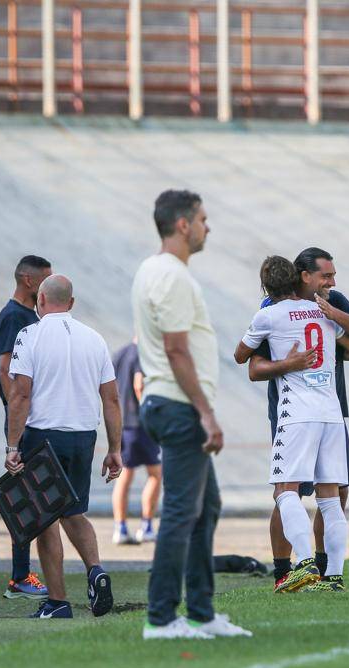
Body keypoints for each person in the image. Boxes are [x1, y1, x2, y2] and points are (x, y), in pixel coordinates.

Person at [133, 189, 251, 639]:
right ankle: (161, 619)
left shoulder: (154, 270)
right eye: (203, 218)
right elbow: (176, 349)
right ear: (182, 225)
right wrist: (207, 413)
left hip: (169, 403)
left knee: (206, 507)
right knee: (182, 512)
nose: (207, 226)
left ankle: (201, 612)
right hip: (180, 407)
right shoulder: (172, 276)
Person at [235, 256, 349, 593]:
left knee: (285, 490)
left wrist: (289, 360)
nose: (331, 283)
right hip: (332, 411)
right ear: (299, 278)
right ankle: (333, 576)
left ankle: (304, 562)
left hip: (297, 413)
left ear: (265, 286)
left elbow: (240, 357)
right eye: (327, 276)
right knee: (331, 497)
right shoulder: (322, 310)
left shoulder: (267, 315)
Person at [4, 274, 123, 619]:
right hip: (84, 434)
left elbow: (21, 394)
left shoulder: (29, 335)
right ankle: (96, 570)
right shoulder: (95, 338)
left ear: (40, 300)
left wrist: (13, 445)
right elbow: (111, 399)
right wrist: (115, 449)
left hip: (44, 435)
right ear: (71, 303)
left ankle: (57, 602)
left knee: (44, 520)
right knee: (73, 510)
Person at [0, 254, 52, 600]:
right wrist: (17, 411)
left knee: (35, 496)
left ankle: (22, 574)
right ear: (30, 281)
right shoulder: (14, 316)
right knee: (26, 498)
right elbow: (6, 369)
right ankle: (19, 576)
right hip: (23, 419)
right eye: (46, 279)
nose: (49, 284)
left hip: (27, 415)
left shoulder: (28, 315)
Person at [111, 337, 162, 545]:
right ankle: (147, 527)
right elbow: (139, 384)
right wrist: (149, 413)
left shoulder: (120, 353)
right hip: (140, 424)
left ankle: (120, 528)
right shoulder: (143, 352)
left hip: (122, 423)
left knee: (124, 476)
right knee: (155, 474)